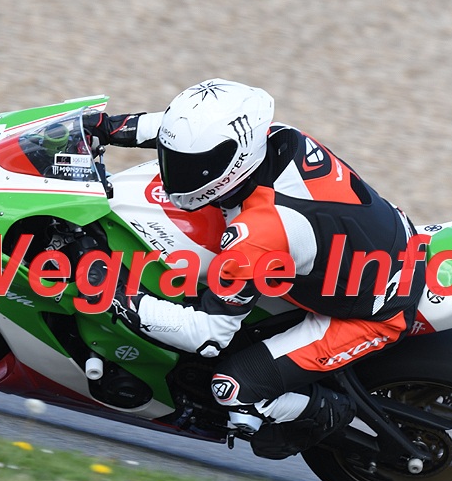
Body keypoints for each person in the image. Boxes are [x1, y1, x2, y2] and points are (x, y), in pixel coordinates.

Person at [82, 78, 425, 459]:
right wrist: (106, 128)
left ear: (233, 162)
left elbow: (207, 335)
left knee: (231, 387)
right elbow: (176, 132)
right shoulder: (271, 137)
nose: (176, 172)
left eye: (191, 167)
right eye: (175, 159)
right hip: (377, 238)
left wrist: (117, 295)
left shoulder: (260, 234)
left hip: (371, 310)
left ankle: (323, 411)